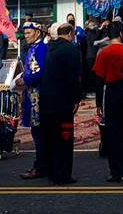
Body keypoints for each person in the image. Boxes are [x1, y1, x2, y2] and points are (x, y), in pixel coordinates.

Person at [92, 19, 123, 183]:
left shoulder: (104, 52)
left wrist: (98, 103)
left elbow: (99, 81)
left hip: (111, 92)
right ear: (121, 33)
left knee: (112, 134)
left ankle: (117, 170)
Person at [40, 24, 82, 185]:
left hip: (46, 101)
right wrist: (76, 99)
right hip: (63, 102)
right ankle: (63, 174)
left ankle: (51, 171)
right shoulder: (71, 50)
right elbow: (75, 77)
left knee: (50, 137)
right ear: (70, 34)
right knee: (64, 139)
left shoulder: (50, 48)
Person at [17, 22, 49, 179]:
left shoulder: (41, 48)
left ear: (38, 33)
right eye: (25, 33)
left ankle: (41, 166)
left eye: (29, 33)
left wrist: (25, 79)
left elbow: (40, 71)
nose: (26, 36)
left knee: (39, 133)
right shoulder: (33, 48)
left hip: (38, 96)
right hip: (32, 94)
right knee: (38, 133)